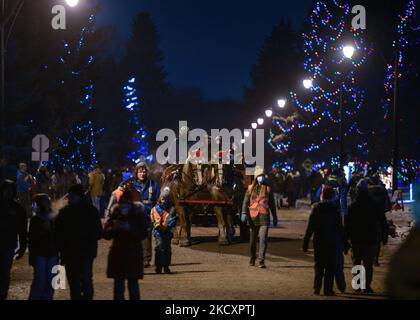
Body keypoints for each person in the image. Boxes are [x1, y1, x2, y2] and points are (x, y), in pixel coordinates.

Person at [107, 162, 160, 268]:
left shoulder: (153, 184)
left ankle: (146, 259)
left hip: (148, 213)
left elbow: (158, 199)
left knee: (146, 235)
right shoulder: (130, 183)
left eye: (144, 172)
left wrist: (156, 213)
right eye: (140, 172)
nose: (143, 174)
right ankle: (134, 257)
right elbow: (118, 193)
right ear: (136, 173)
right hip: (133, 214)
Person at [54, 184, 102, 300]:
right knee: (77, 280)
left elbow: (98, 232)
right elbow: (57, 233)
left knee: (84, 279)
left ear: (79, 196)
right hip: (73, 252)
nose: (69, 198)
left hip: (84, 251)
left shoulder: (89, 211)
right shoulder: (65, 212)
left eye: (72, 195)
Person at [345, 179, 389, 293]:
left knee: (357, 262)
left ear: (358, 190)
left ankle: (358, 285)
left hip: (356, 239)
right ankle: (366, 286)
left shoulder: (353, 206)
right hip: (370, 238)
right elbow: (383, 221)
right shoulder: (374, 204)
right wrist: (384, 236)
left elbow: (347, 225)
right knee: (368, 264)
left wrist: (345, 239)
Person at [103, 189, 147, 300]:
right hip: (119, 253)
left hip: (132, 253)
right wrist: (113, 228)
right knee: (119, 286)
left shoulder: (137, 213)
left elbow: (143, 233)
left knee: (132, 286)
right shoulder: (115, 212)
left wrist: (129, 228)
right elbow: (106, 234)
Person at [303, 185, 346, 296]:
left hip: (319, 241)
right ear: (332, 196)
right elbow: (340, 229)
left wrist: (306, 242)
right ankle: (328, 290)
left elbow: (310, 227)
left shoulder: (316, 208)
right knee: (330, 267)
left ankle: (317, 288)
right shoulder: (334, 210)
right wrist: (345, 243)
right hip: (331, 242)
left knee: (319, 266)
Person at [241, 167, 278, 268]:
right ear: (256, 177)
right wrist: (244, 212)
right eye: (259, 176)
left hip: (264, 218)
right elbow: (245, 201)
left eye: (262, 176)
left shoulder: (267, 188)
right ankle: (252, 258)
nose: (260, 178)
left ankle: (261, 260)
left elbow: (272, 204)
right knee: (252, 241)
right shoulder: (250, 188)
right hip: (253, 219)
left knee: (263, 240)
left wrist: (275, 217)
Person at [0, 180, 27, 300]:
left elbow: (22, 230)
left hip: (8, 245)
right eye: (6, 190)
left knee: (5, 272)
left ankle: (2, 294)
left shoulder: (18, 209)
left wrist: (22, 246)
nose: (8, 192)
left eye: (10, 190)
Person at [28, 194, 58, 300]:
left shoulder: (54, 217)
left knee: (50, 282)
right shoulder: (36, 219)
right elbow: (32, 239)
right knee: (40, 281)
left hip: (52, 253)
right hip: (41, 254)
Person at [151, 187, 177, 274]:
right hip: (158, 231)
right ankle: (158, 267)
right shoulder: (155, 208)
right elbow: (154, 218)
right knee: (159, 248)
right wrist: (159, 226)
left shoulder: (171, 209)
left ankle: (166, 266)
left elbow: (173, 219)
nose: (163, 200)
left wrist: (167, 227)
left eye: (165, 198)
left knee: (167, 249)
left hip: (168, 231)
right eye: (162, 198)